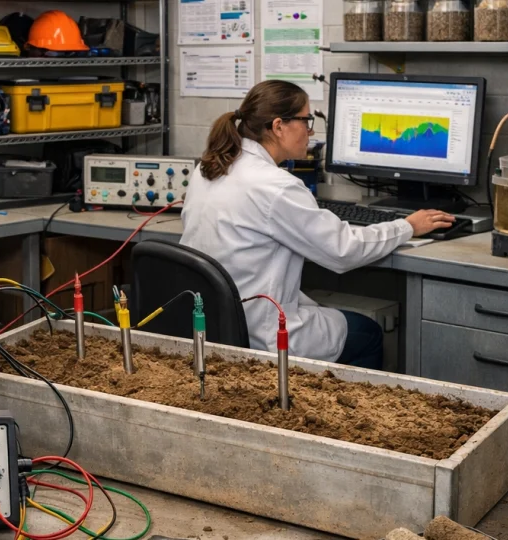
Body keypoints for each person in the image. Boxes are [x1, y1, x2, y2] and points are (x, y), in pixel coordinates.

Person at [179, 80, 454, 369]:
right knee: (368, 334)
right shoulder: (278, 187)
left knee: (319, 309)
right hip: (260, 336)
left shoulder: (208, 168)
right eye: (306, 121)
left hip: (210, 326)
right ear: (278, 126)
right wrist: (407, 226)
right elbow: (343, 250)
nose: (310, 132)